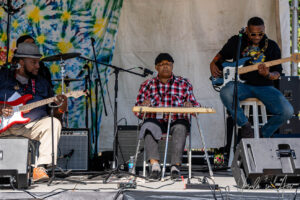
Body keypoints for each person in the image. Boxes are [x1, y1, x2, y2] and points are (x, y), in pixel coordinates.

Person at [210, 17, 294, 138]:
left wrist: (268, 74)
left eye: (260, 33)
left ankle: (263, 133)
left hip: (265, 87)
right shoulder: (236, 41)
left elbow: (277, 73)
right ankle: (245, 125)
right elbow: (220, 56)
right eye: (253, 34)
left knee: (287, 111)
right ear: (247, 31)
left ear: (264, 30)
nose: (257, 37)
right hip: (241, 85)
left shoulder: (272, 46)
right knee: (225, 92)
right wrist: (212, 63)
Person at [0, 43, 67, 182]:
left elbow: (54, 114)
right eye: (33, 62)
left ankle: (40, 167)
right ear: (20, 63)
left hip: (30, 127)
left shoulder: (42, 83)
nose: (38, 66)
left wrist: (61, 107)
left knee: (53, 123)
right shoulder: (3, 77)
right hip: (3, 126)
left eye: (38, 62)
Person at [135, 53, 200, 180]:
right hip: (156, 120)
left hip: (176, 120)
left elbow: (196, 107)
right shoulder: (147, 85)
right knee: (147, 125)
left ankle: (175, 167)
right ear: (156, 67)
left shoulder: (183, 83)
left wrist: (190, 105)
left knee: (181, 127)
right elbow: (138, 110)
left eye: (168, 64)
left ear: (172, 66)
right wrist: (143, 105)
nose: (165, 67)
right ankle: (155, 167)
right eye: (162, 65)